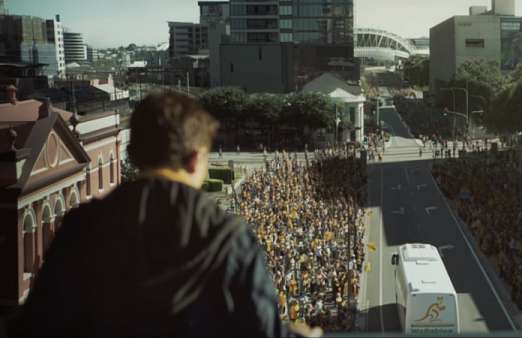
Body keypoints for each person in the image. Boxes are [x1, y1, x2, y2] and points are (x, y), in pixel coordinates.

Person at [11, 92, 321, 338]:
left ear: (132, 154)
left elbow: (37, 325)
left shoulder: (82, 226)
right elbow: (261, 330)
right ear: (195, 159)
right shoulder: (229, 236)